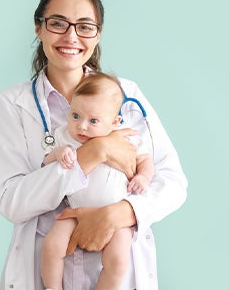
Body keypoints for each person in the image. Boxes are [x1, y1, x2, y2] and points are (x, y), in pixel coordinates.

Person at [0, 0, 188, 290]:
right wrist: (95, 152)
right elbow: (11, 202)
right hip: (41, 273)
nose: (71, 37)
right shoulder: (13, 104)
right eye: (57, 23)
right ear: (38, 29)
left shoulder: (126, 95)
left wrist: (120, 214)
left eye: (84, 27)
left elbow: (172, 181)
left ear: (97, 35)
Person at [40, 72, 154, 290]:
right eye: (75, 116)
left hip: (116, 217)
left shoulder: (125, 137)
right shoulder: (64, 136)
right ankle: (53, 287)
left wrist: (143, 177)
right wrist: (58, 153)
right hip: (75, 212)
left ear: (114, 122)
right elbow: (46, 160)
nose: (81, 126)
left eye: (93, 121)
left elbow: (145, 160)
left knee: (119, 260)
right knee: (52, 246)